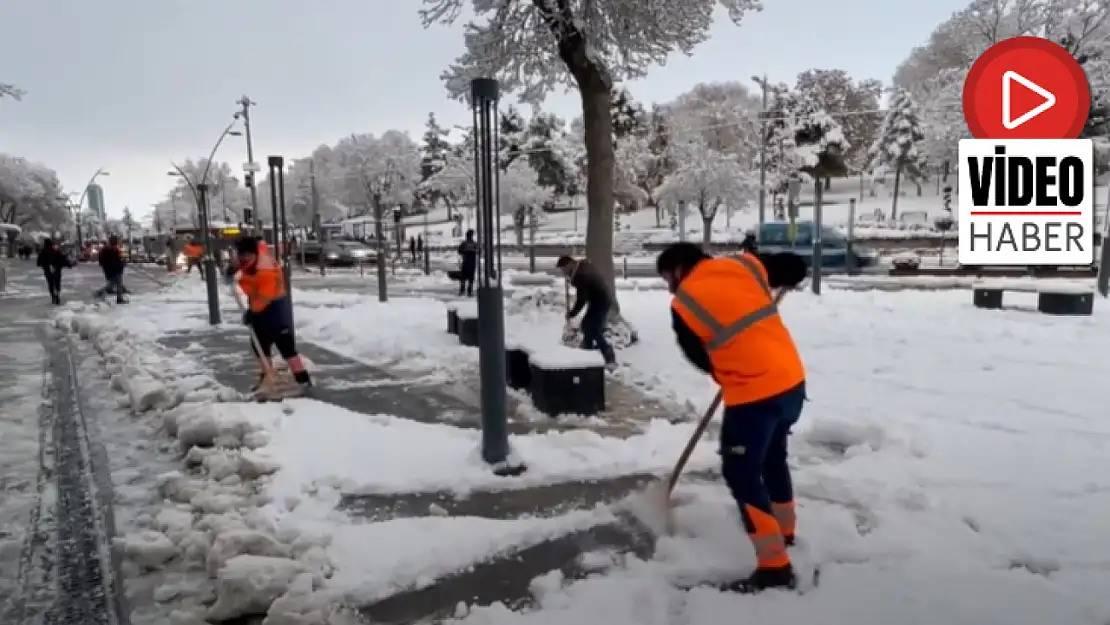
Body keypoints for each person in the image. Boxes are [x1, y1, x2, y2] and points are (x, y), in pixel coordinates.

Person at [655, 242, 808, 593]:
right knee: (772, 458)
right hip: (790, 381)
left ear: (678, 269)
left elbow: (700, 357)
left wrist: (730, 363)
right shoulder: (744, 265)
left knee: (741, 472)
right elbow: (794, 266)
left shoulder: (685, 303)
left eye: (667, 278)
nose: (669, 287)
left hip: (754, 395)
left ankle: (774, 567)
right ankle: (783, 531)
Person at [226, 236, 312, 394]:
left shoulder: (266, 270)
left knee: (285, 346)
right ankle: (267, 375)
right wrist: (234, 273)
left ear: (254, 254)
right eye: (241, 255)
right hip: (259, 305)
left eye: (246, 255)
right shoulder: (249, 263)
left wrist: (252, 312)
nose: (243, 258)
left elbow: (266, 295)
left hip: (275, 308)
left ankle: (302, 379)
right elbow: (250, 286)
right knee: (259, 344)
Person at [555, 255, 616, 366]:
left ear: (570, 264)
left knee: (593, 329)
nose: (563, 272)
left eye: (564, 269)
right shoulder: (582, 267)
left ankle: (608, 356)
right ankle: (587, 353)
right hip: (599, 300)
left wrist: (572, 313)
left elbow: (582, 299)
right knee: (587, 326)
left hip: (601, 301)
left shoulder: (580, 275)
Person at [96, 235, 128, 303]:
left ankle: (102, 292)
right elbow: (119, 260)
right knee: (116, 284)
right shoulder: (115, 250)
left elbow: (101, 260)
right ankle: (119, 299)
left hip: (109, 270)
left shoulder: (105, 249)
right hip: (115, 270)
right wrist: (122, 263)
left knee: (113, 283)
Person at [36, 238, 68, 305]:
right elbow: (62, 258)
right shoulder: (55, 250)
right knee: (57, 283)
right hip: (56, 269)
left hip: (48, 270)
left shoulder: (43, 251)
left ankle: (53, 295)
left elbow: (39, 262)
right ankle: (57, 294)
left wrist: (44, 265)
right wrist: (66, 264)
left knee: (51, 283)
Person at [457, 229, 478, 297]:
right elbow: (478, 251)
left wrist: (463, 253)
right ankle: (469, 291)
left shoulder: (464, 243)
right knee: (471, 278)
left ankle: (462, 291)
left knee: (463, 277)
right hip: (472, 262)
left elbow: (459, 251)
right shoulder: (474, 243)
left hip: (465, 262)